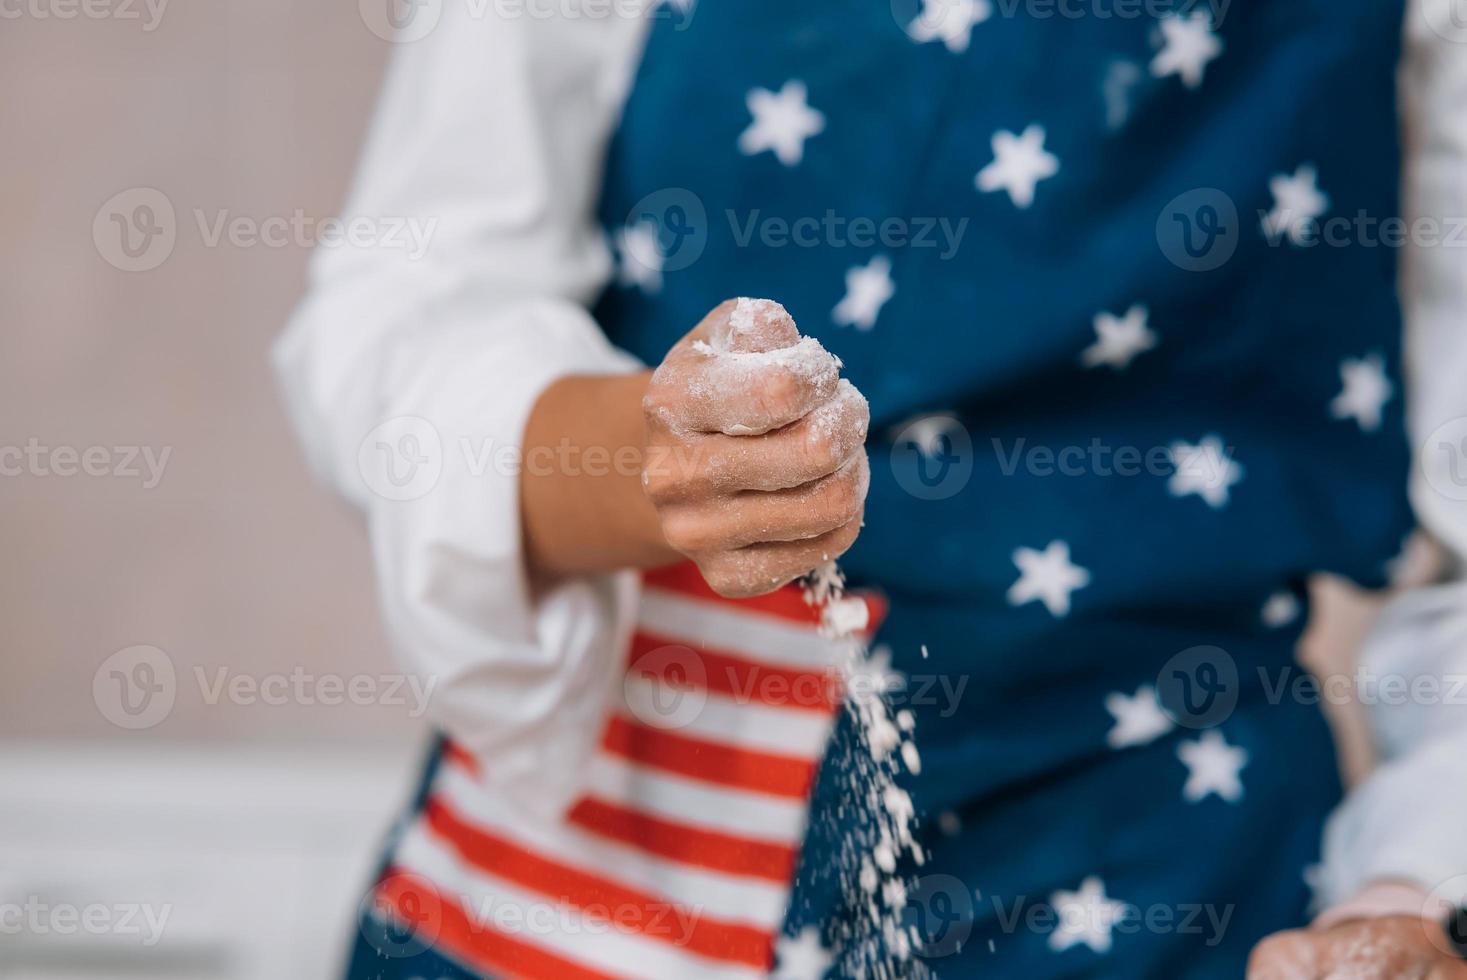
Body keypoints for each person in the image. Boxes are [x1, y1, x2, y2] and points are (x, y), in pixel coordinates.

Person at [275, 0, 1467, 976]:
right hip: (585, 871)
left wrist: (1416, 886)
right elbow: (405, 307)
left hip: (1141, 879)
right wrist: (647, 461)